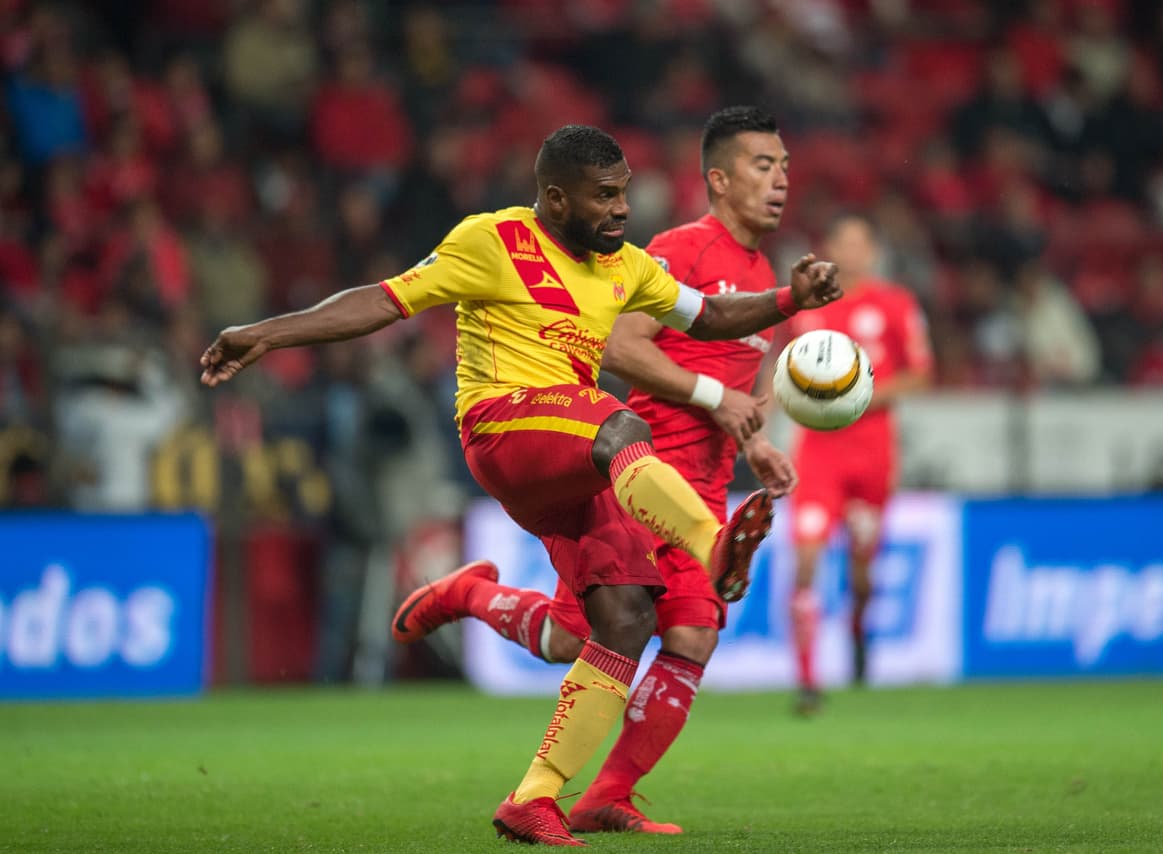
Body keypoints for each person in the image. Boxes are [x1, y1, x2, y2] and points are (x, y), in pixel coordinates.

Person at [198, 124, 841, 846]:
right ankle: (712, 542)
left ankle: (532, 797)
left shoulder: (626, 266)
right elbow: (383, 300)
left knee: (621, 619)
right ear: (556, 198)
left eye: (625, 193)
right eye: (605, 197)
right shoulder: (492, 240)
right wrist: (266, 333)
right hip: (504, 429)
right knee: (621, 423)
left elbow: (712, 315)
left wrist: (790, 299)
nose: (623, 210)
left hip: (576, 457)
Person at [391, 106, 799, 836]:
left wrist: (754, 439)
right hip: (628, 462)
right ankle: (474, 597)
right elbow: (621, 346)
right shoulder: (677, 248)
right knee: (578, 639)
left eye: (785, 168)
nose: (780, 181)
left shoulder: (761, 277)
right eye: (764, 166)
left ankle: (604, 792)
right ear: (719, 178)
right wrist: (713, 395)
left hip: (694, 478)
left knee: (679, 634)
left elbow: (730, 374)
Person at [784, 213, 933, 715]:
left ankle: (857, 632)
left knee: (862, 573)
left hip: (871, 455)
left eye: (858, 243)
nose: (850, 252)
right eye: (841, 243)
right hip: (818, 456)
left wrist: (856, 396)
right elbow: (781, 372)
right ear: (830, 249)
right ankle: (807, 682)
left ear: (872, 251)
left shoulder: (895, 304)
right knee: (805, 561)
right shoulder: (805, 308)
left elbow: (920, 376)